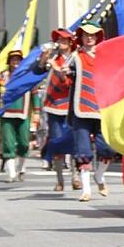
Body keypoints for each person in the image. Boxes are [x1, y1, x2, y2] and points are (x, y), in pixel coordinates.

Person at [66, 22, 118, 202]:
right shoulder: (75, 57)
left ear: (98, 37)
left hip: (102, 109)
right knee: (83, 151)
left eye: (93, 35)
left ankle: (99, 176)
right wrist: (67, 74)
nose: (89, 38)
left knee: (108, 149)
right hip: (81, 109)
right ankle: (86, 189)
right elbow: (65, 79)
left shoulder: (106, 56)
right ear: (81, 37)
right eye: (86, 35)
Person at [35, 28, 81, 192]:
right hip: (53, 106)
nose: (61, 43)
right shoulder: (53, 57)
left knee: (75, 142)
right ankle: (60, 180)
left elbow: (69, 79)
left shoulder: (75, 58)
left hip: (71, 105)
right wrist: (43, 60)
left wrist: (56, 67)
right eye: (59, 40)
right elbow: (37, 71)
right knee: (56, 143)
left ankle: (76, 177)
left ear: (70, 42)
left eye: (64, 40)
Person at [0, 50, 33, 182]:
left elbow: (35, 92)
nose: (16, 63)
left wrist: (36, 111)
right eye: (13, 60)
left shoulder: (28, 75)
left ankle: (22, 168)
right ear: (9, 61)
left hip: (23, 112)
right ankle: (11, 173)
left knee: (24, 143)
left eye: (18, 60)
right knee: (8, 143)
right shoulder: (3, 76)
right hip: (6, 113)